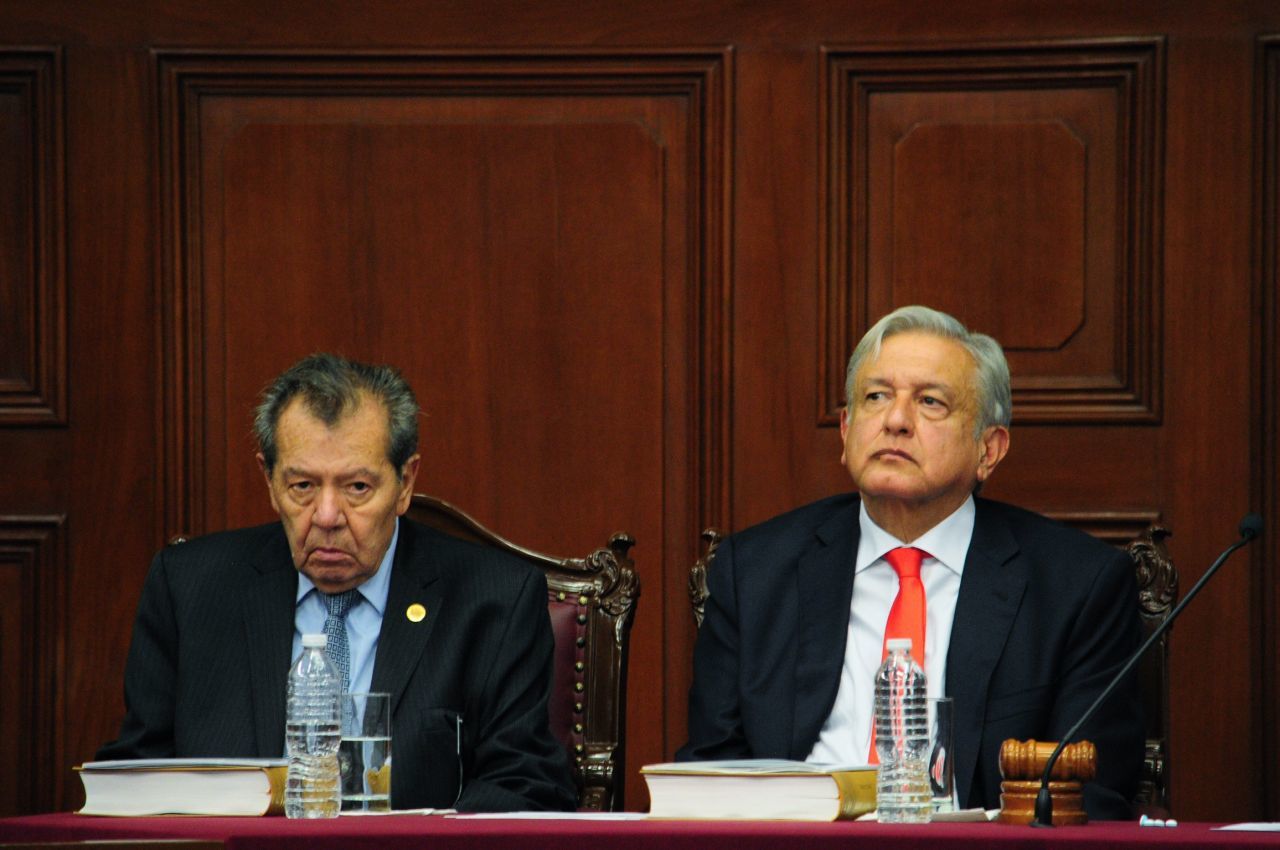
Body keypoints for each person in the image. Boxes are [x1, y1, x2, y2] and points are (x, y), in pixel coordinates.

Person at [677, 305, 1143, 818]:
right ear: (846, 430)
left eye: (930, 402)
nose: (895, 420)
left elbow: (1091, 796)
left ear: (989, 449)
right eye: (876, 397)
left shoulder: (1076, 587)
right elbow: (709, 775)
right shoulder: (755, 572)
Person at [99, 353, 576, 812]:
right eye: (302, 486)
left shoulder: (493, 601)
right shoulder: (190, 590)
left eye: (357, 488)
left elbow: (526, 785)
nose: (327, 517)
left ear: (405, 483)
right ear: (268, 480)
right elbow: (138, 780)